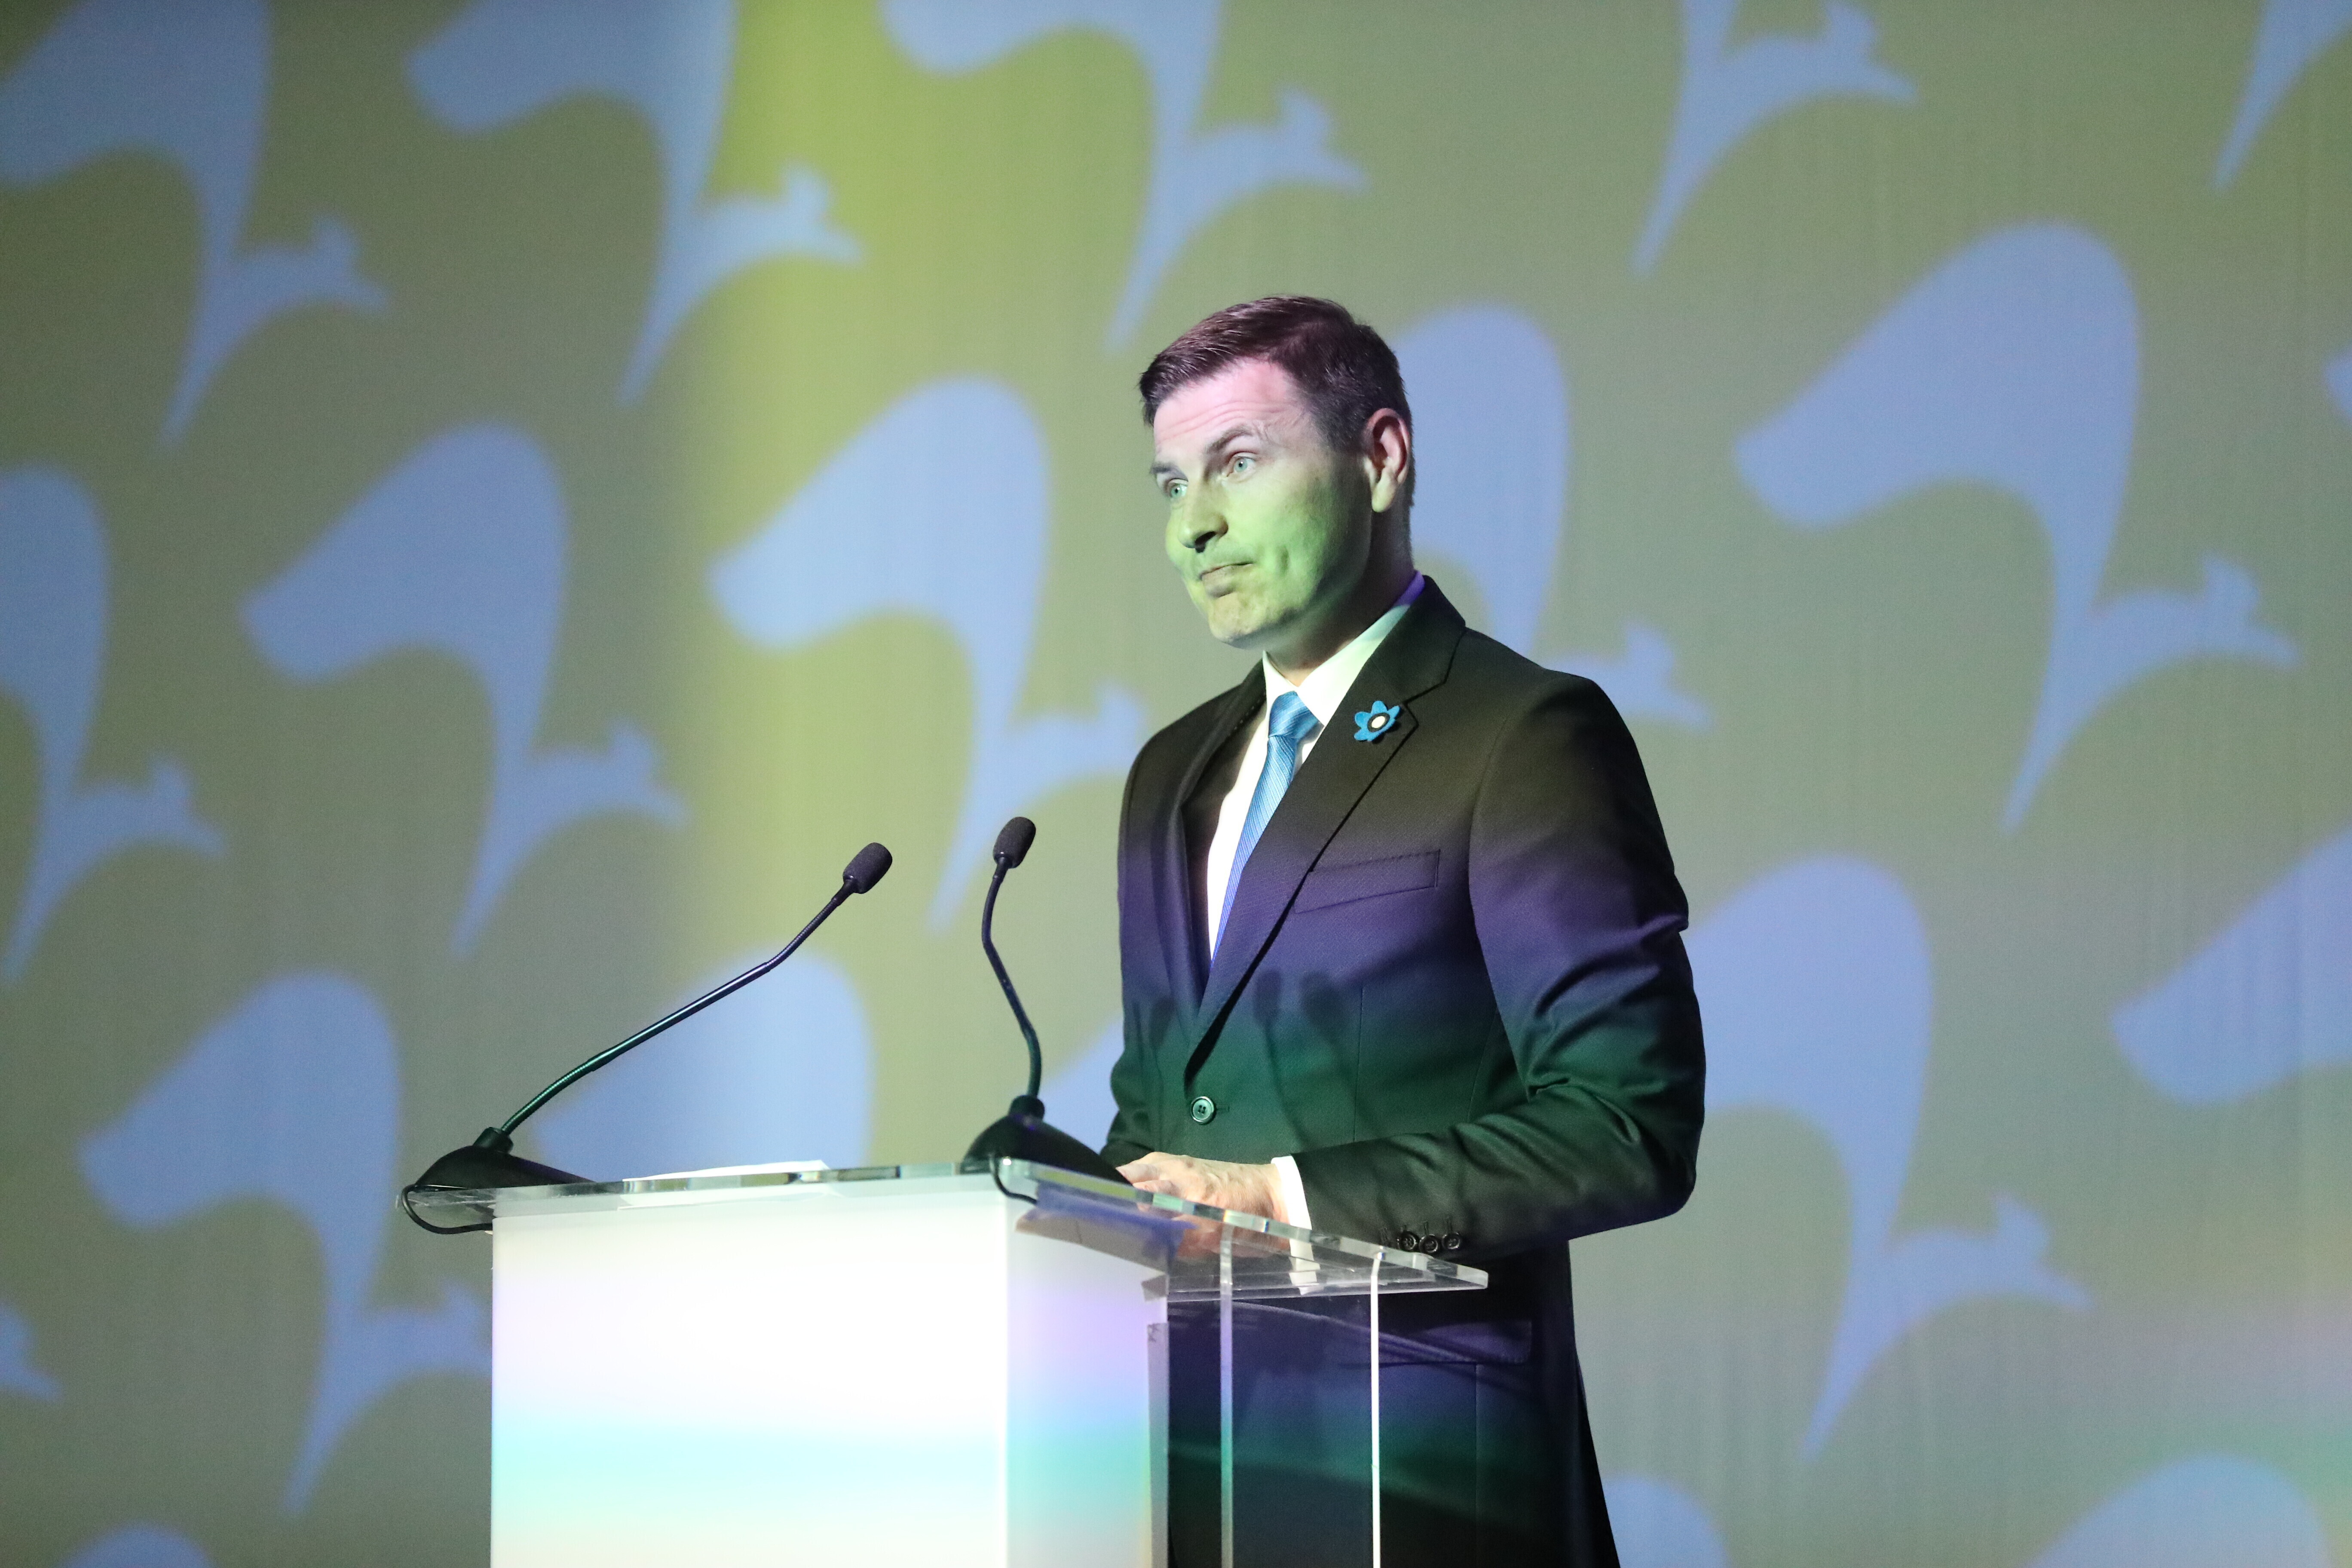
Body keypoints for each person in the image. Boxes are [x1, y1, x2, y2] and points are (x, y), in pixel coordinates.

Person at [1103, 296, 1705, 1565]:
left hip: (1419, 1468)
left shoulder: (1521, 737)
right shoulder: (1170, 775)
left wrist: (1283, 1199)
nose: (1192, 524)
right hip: (1180, 1470)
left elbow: (1625, 1125)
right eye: (1170, 484)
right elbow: (1167, 1113)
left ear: (1380, 459)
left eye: (1238, 464)